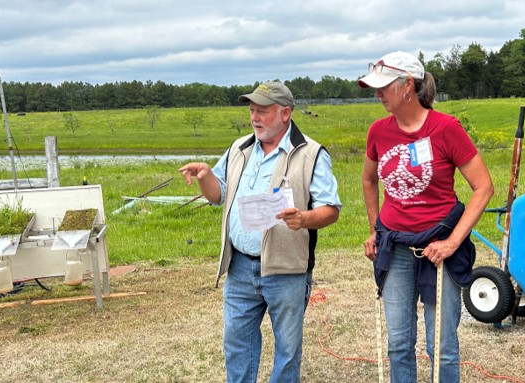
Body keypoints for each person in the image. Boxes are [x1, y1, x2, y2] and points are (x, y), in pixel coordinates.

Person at [178, 81, 341, 383]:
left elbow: (331, 209)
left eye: (262, 111)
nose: (254, 117)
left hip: (286, 269)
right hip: (240, 267)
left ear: (285, 113)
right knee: (237, 346)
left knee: (287, 351)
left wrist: (304, 218)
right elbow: (218, 195)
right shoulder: (239, 148)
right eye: (252, 110)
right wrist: (205, 176)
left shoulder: (311, 154)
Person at [359, 51, 493, 382]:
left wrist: (451, 242)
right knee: (399, 344)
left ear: (407, 86)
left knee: (442, 346)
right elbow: (368, 179)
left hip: (438, 251)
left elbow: (483, 188)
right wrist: (376, 229)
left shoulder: (446, 128)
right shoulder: (378, 131)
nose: (378, 95)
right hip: (396, 247)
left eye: (383, 87)